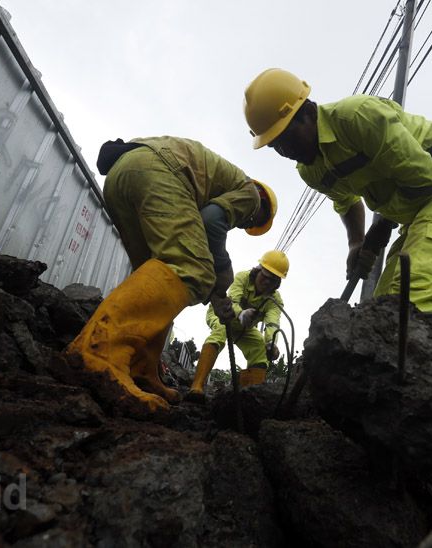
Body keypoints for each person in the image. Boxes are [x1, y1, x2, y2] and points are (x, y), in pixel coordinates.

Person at [243, 68, 432, 330]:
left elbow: (424, 179)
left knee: (417, 291)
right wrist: (357, 243)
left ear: (308, 112)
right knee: (382, 308)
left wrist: (378, 231)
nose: (285, 150)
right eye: (275, 145)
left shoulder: (358, 117)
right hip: (418, 207)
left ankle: (430, 361)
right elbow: (346, 201)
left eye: (287, 136)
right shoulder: (311, 170)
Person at [64, 136, 278, 414]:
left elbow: (184, 249)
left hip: (121, 176)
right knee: (192, 267)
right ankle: (99, 353)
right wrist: (222, 268)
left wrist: (216, 294)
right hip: (159, 172)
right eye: (250, 222)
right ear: (261, 208)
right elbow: (212, 220)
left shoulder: (217, 182)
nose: (245, 223)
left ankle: (141, 368)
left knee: (161, 272)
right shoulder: (250, 195)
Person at [185, 250, 288, 403]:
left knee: (259, 348)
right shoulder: (242, 277)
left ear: (277, 283)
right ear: (258, 270)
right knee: (219, 333)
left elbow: (272, 322)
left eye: (272, 280)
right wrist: (241, 314)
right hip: (222, 314)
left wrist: (271, 342)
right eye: (265, 276)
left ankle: (248, 397)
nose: (266, 282)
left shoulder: (275, 301)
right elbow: (232, 300)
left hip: (244, 329)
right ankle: (197, 386)